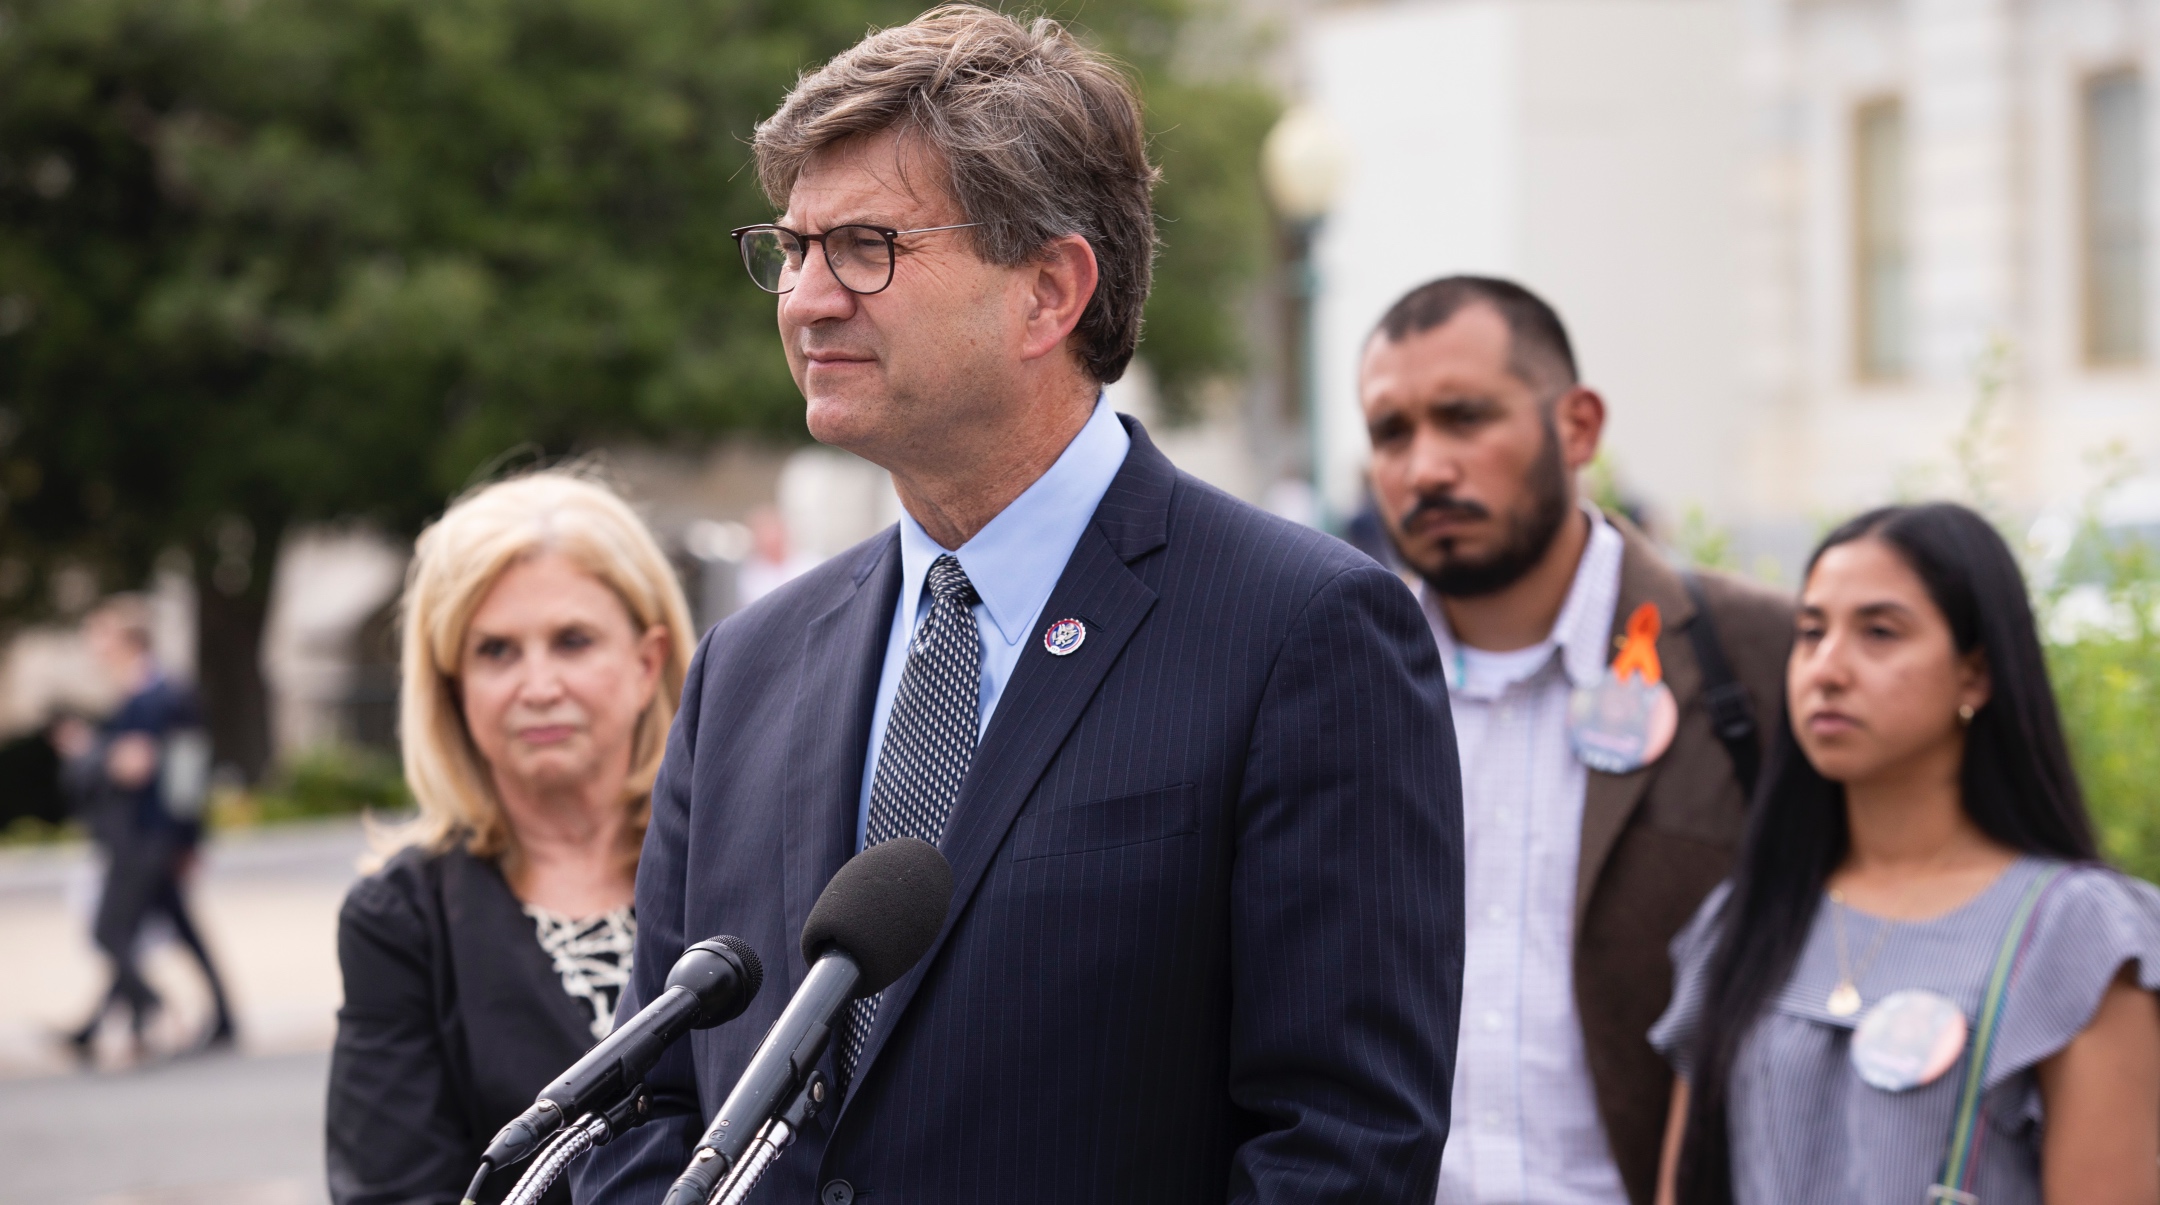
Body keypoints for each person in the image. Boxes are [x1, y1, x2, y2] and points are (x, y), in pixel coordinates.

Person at [574, 8, 1464, 1204]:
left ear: (1049, 291)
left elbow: (1340, 1148)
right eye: (790, 247)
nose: (805, 299)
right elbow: (654, 1102)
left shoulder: (1303, 632)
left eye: (866, 247)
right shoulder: (747, 666)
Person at [1356, 276, 1793, 1205]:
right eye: (1392, 433)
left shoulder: (1753, 659)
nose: (1426, 467)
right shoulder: (1337, 680)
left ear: (1579, 426)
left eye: (1465, 417)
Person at [1651, 503, 2160, 1205]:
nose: (1827, 669)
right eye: (1810, 632)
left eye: (1879, 633)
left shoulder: (2076, 932)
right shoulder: (1749, 914)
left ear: (1975, 674)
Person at [326, 471, 696, 1205]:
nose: (538, 684)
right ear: (451, 684)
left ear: (646, 660)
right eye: (496, 650)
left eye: (572, 640)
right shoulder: (402, 919)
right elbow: (393, 1190)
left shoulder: (741, 856)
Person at [55, 594, 232, 1060]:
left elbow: (183, 773)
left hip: (152, 838)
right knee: (164, 930)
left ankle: (153, 1008)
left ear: (128, 640)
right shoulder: (135, 694)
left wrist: (186, 838)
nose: (94, 645)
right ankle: (217, 1019)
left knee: (112, 932)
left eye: (101, 635)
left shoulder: (165, 694)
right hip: (139, 836)